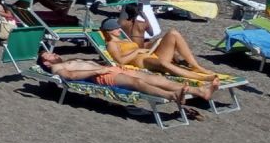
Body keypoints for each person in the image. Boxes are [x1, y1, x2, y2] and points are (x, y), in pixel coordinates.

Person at [35, 48, 218, 110]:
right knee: (137, 84)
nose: (53, 53)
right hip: (102, 77)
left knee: (153, 78)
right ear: (45, 61)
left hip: (110, 69)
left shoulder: (66, 60)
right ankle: (173, 96)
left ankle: (200, 91)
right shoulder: (57, 67)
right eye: (49, 54)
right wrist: (95, 72)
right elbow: (71, 76)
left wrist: (101, 66)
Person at [100, 16, 218, 84]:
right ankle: (200, 78)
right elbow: (120, 61)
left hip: (150, 55)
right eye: (116, 29)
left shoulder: (124, 40)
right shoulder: (111, 44)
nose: (119, 30)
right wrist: (137, 51)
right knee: (162, 63)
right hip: (143, 62)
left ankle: (196, 66)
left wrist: (152, 46)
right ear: (109, 31)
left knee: (173, 33)